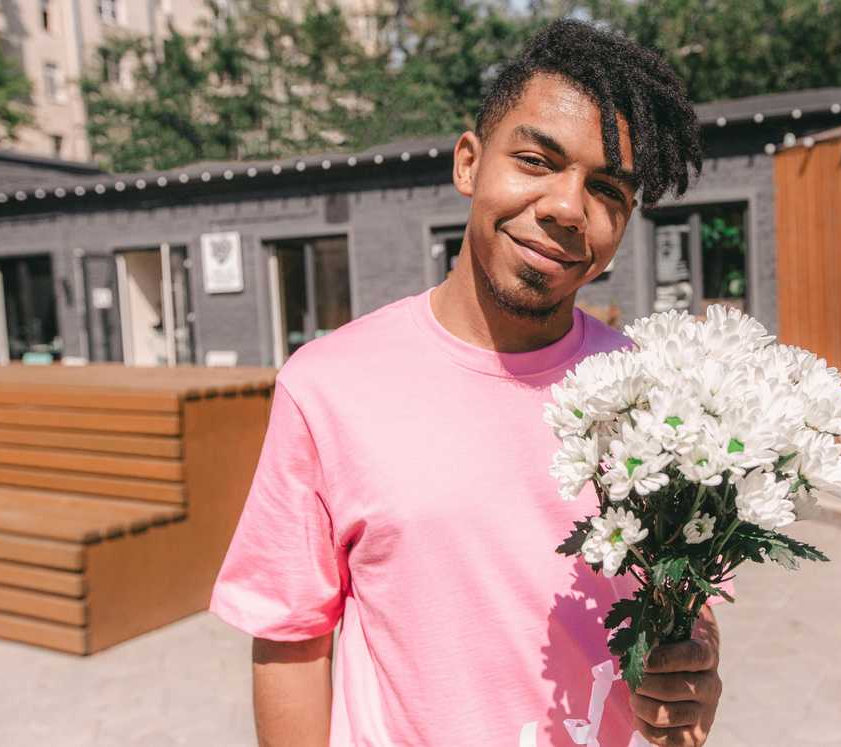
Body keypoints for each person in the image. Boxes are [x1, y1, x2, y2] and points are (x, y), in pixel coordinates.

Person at [209, 18, 723, 747]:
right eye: (537, 160)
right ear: (468, 163)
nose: (567, 208)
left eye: (606, 188)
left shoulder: (658, 398)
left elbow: (690, 605)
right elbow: (291, 639)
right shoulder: (328, 386)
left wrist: (695, 662)